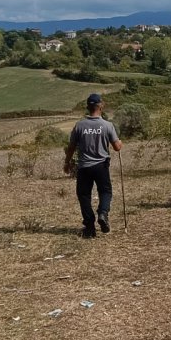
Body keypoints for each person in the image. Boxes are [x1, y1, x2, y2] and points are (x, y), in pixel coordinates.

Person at [64, 93, 123, 237]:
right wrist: (120, 143)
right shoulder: (107, 125)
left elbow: (71, 147)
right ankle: (103, 214)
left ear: (87, 107)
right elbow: (117, 147)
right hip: (101, 166)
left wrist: (67, 162)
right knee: (105, 192)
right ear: (100, 106)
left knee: (84, 195)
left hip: (84, 167)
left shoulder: (79, 125)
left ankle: (89, 227)